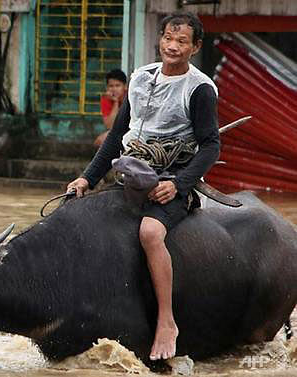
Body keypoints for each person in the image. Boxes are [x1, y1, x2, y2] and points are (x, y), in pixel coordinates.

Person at [66, 11, 219, 361]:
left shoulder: (200, 89)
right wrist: (87, 178)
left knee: (150, 233)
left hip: (171, 178)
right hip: (131, 172)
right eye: (168, 38)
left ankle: (167, 321)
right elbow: (117, 136)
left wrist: (179, 185)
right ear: (160, 39)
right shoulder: (139, 78)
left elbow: (211, 145)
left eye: (182, 41)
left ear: (195, 47)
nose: (172, 46)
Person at [94, 69, 128, 147]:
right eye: (111, 86)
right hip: (118, 130)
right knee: (99, 141)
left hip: (132, 129)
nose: (114, 89)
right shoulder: (106, 99)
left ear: (125, 86)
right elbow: (110, 126)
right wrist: (115, 102)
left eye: (117, 85)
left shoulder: (130, 96)